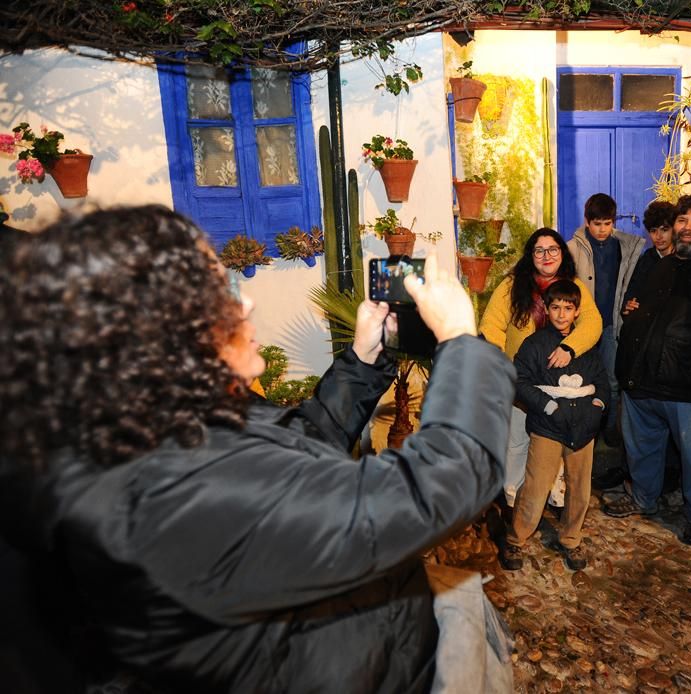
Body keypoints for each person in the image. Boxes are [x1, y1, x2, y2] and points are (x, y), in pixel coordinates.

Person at [0, 205, 516, 693]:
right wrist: (459, 339)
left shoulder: (165, 422)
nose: (243, 304)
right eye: (216, 296)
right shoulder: (175, 498)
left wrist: (361, 360)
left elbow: (297, 445)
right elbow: (434, 488)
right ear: (156, 342)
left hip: (386, 642)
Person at [606, 194, 691, 549]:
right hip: (642, 380)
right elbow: (646, 308)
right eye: (682, 220)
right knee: (642, 448)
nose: (687, 228)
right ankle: (644, 499)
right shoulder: (659, 264)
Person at [480, 228, 603, 507]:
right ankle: (513, 497)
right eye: (539, 250)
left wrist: (569, 347)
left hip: (562, 384)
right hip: (521, 378)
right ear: (530, 255)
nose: (546, 256)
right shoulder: (513, 285)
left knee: (558, 442)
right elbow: (492, 324)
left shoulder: (573, 286)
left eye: (553, 250)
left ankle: (556, 497)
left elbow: (592, 322)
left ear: (562, 253)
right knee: (517, 441)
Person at [500, 280, 610, 572]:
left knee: (579, 488)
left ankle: (571, 538)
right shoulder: (534, 344)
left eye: (568, 308)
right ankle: (516, 537)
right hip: (548, 426)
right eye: (556, 308)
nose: (562, 314)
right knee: (536, 487)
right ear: (546, 310)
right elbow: (519, 380)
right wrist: (547, 406)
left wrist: (597, 407)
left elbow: (601, 381)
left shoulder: (585, 345)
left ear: (577, 312)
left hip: (582, 427)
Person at [593, 199, 678, 492]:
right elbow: (631, 298)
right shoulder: (647, 259)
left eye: (665, 229)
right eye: (654, 230)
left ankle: (666, 478)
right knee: (637, 418)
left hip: (671, 354)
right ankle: (630, 470)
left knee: (666, 423)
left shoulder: (683, 260)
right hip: (641, 348)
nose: (659, 236)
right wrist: (629, 307)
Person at [567, 193, 645, 447]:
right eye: (597, 223)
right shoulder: (572, 249)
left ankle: (610, 430)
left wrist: (628, 303)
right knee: (580, 379)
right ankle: (582, 430)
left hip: (611, 325)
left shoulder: (624, 247)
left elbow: (629, 282)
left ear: (613, 222)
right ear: (587, 222)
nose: (602, 229)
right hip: (580, 328)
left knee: (612, 381)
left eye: (607, 223)